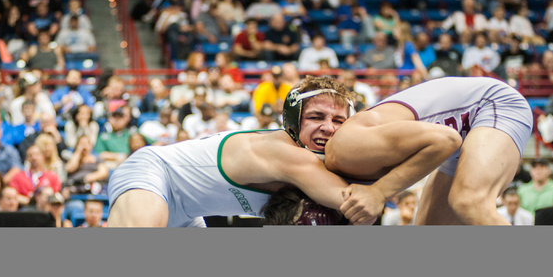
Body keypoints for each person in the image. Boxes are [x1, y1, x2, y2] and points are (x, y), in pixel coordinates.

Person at [107, 75, 374, 227]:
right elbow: (356, 203)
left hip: (189, 214)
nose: (328, 128)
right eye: (317, 117)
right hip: (154, 175)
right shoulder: (286, 153)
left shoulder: (322, 165)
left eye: (338, 121)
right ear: (293, 122)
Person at [321, 76, 534, 225]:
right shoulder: (338, 162)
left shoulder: (342, 149)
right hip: (459, 127)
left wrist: (379, 193)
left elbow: (446, 140)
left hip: (492, 105)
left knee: (470, 202)